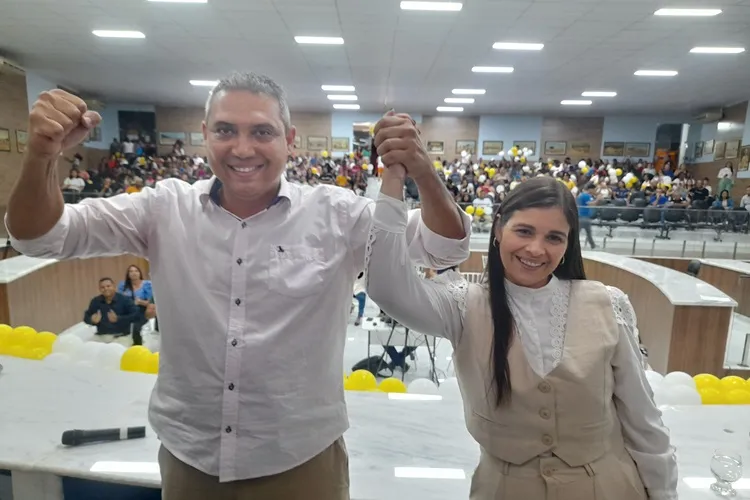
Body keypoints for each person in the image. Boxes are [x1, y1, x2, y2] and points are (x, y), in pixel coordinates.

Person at [6, 73, 469, 500]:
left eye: (262, 132)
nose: (243, 148)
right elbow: (40, 236)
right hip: (192, 461)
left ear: (289, 140)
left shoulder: (337, 215)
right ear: (205, 134)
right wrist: (42, 155)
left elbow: (443, 249)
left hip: (302, 462)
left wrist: (423, 172)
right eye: (226, 130)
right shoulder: (163, 209)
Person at [366, 173, 678, 500]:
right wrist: (395, 175)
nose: (536, 249)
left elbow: (642, 419)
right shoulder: (462, 305)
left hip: (609, 488)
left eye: (554, 238)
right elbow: (387, 287)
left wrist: (664, 493)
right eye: (524, 231)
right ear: (499, 228)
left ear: (568, 244)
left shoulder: (608, 304)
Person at [84, 277, 139, 346]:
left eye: (108, 286)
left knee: (116, 350)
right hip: (101, 337)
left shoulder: (125, 300)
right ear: (100, 289)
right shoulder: (95, 301)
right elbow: (86, 317)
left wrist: (118, 319)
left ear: (114, 287)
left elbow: (136, 316)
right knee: (88, 347)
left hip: (121, 337)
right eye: (102, 287)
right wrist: (92, 320)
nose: (106, 289)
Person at [118, 264, 153, 345]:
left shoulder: (147, 284)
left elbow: (151, 303)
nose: (134, 273)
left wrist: (140, 302)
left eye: (136, 271)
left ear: (140, 273)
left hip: (142, 310)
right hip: (128, 311)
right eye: (131, 271)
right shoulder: (123, 285)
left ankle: (138, 346)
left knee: (136, 328)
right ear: (128, 274)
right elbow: (120, 300)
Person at [576, 183, 596, 249]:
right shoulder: (586, 196)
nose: (594, 191)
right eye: (594, 189)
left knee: (587, 232)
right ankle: (592, 245)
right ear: (590, 189)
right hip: (584, 216)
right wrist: (598, 200)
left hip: (581, 216)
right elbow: (590, 204)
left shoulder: (580, 195)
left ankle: (593, 245)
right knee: (587, 232)